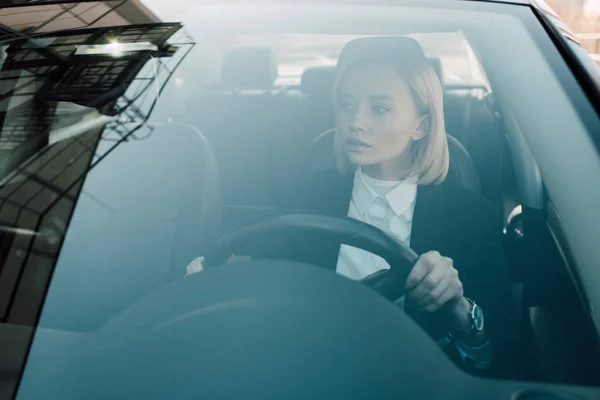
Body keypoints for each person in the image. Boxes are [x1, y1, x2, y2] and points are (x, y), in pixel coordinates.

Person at [187, 36, 517, 377]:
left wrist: (458, 309)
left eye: (379, 108)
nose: (355, 121)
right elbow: (267, 302)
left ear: (420, 123)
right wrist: (218, 280)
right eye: (346, 105)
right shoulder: (305, 198)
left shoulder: (471, 219)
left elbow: (497, 364)